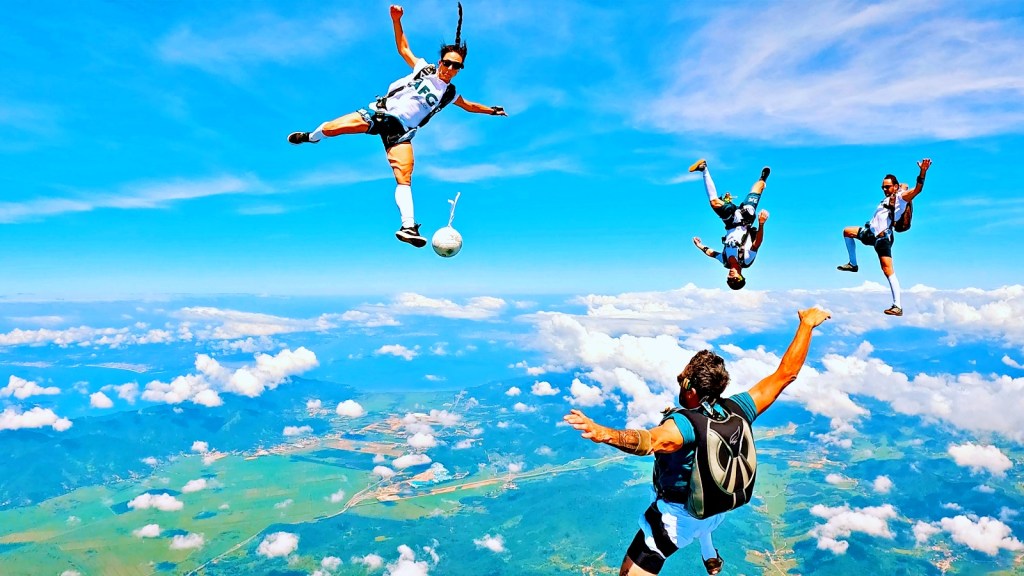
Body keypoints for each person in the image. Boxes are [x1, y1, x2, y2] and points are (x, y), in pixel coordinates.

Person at [564, 307, 832, 576]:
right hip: (715, 507)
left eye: (681, 378)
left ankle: (707, 552)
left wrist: (603, 433)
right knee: (703, 524)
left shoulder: (684, 426)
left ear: (690, 390)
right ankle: (710, 557)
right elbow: (786, 374)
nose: (679, 380)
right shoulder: (739, 408)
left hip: (677, 520)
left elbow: (648, 442)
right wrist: (806, 325)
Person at [287, 4, 507, 248]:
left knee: (404, 176)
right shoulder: (424, 68)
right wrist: (396, 19)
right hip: (379, 114)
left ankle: (408, 227)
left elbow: (468, 105)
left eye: (457, 66)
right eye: (448, 63)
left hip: (401, 132)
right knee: (331, 129)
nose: (451, 69)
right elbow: (403, 48)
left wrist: (491, 110)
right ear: (440, 61)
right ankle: (311, 137)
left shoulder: (449, 93)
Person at [837, 158, 932, 316]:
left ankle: (897, 306)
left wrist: (922, 172)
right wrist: (900, 187)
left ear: (895, 186)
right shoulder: (890, 197)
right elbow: (904, 184)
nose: (884, 189)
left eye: (887, 187)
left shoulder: (901, 198)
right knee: (847, 231)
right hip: (870, 233)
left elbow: (917, 189)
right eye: (883, 187)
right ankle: (853, 264)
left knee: (887, 270)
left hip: (882, 239)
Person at [688, 159, 771, 289]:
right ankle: (763, 179)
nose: (731, 276)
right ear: (741, 277)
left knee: (714, 203)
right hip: (745, 218)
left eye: (729, 279)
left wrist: (699, 245)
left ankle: (703, 168)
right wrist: (761, 224)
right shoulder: (746, 260)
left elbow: (712, 254)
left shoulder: (725, 261)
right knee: (758, 187)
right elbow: (757, 243)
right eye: (735, 278)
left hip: (730, 222)